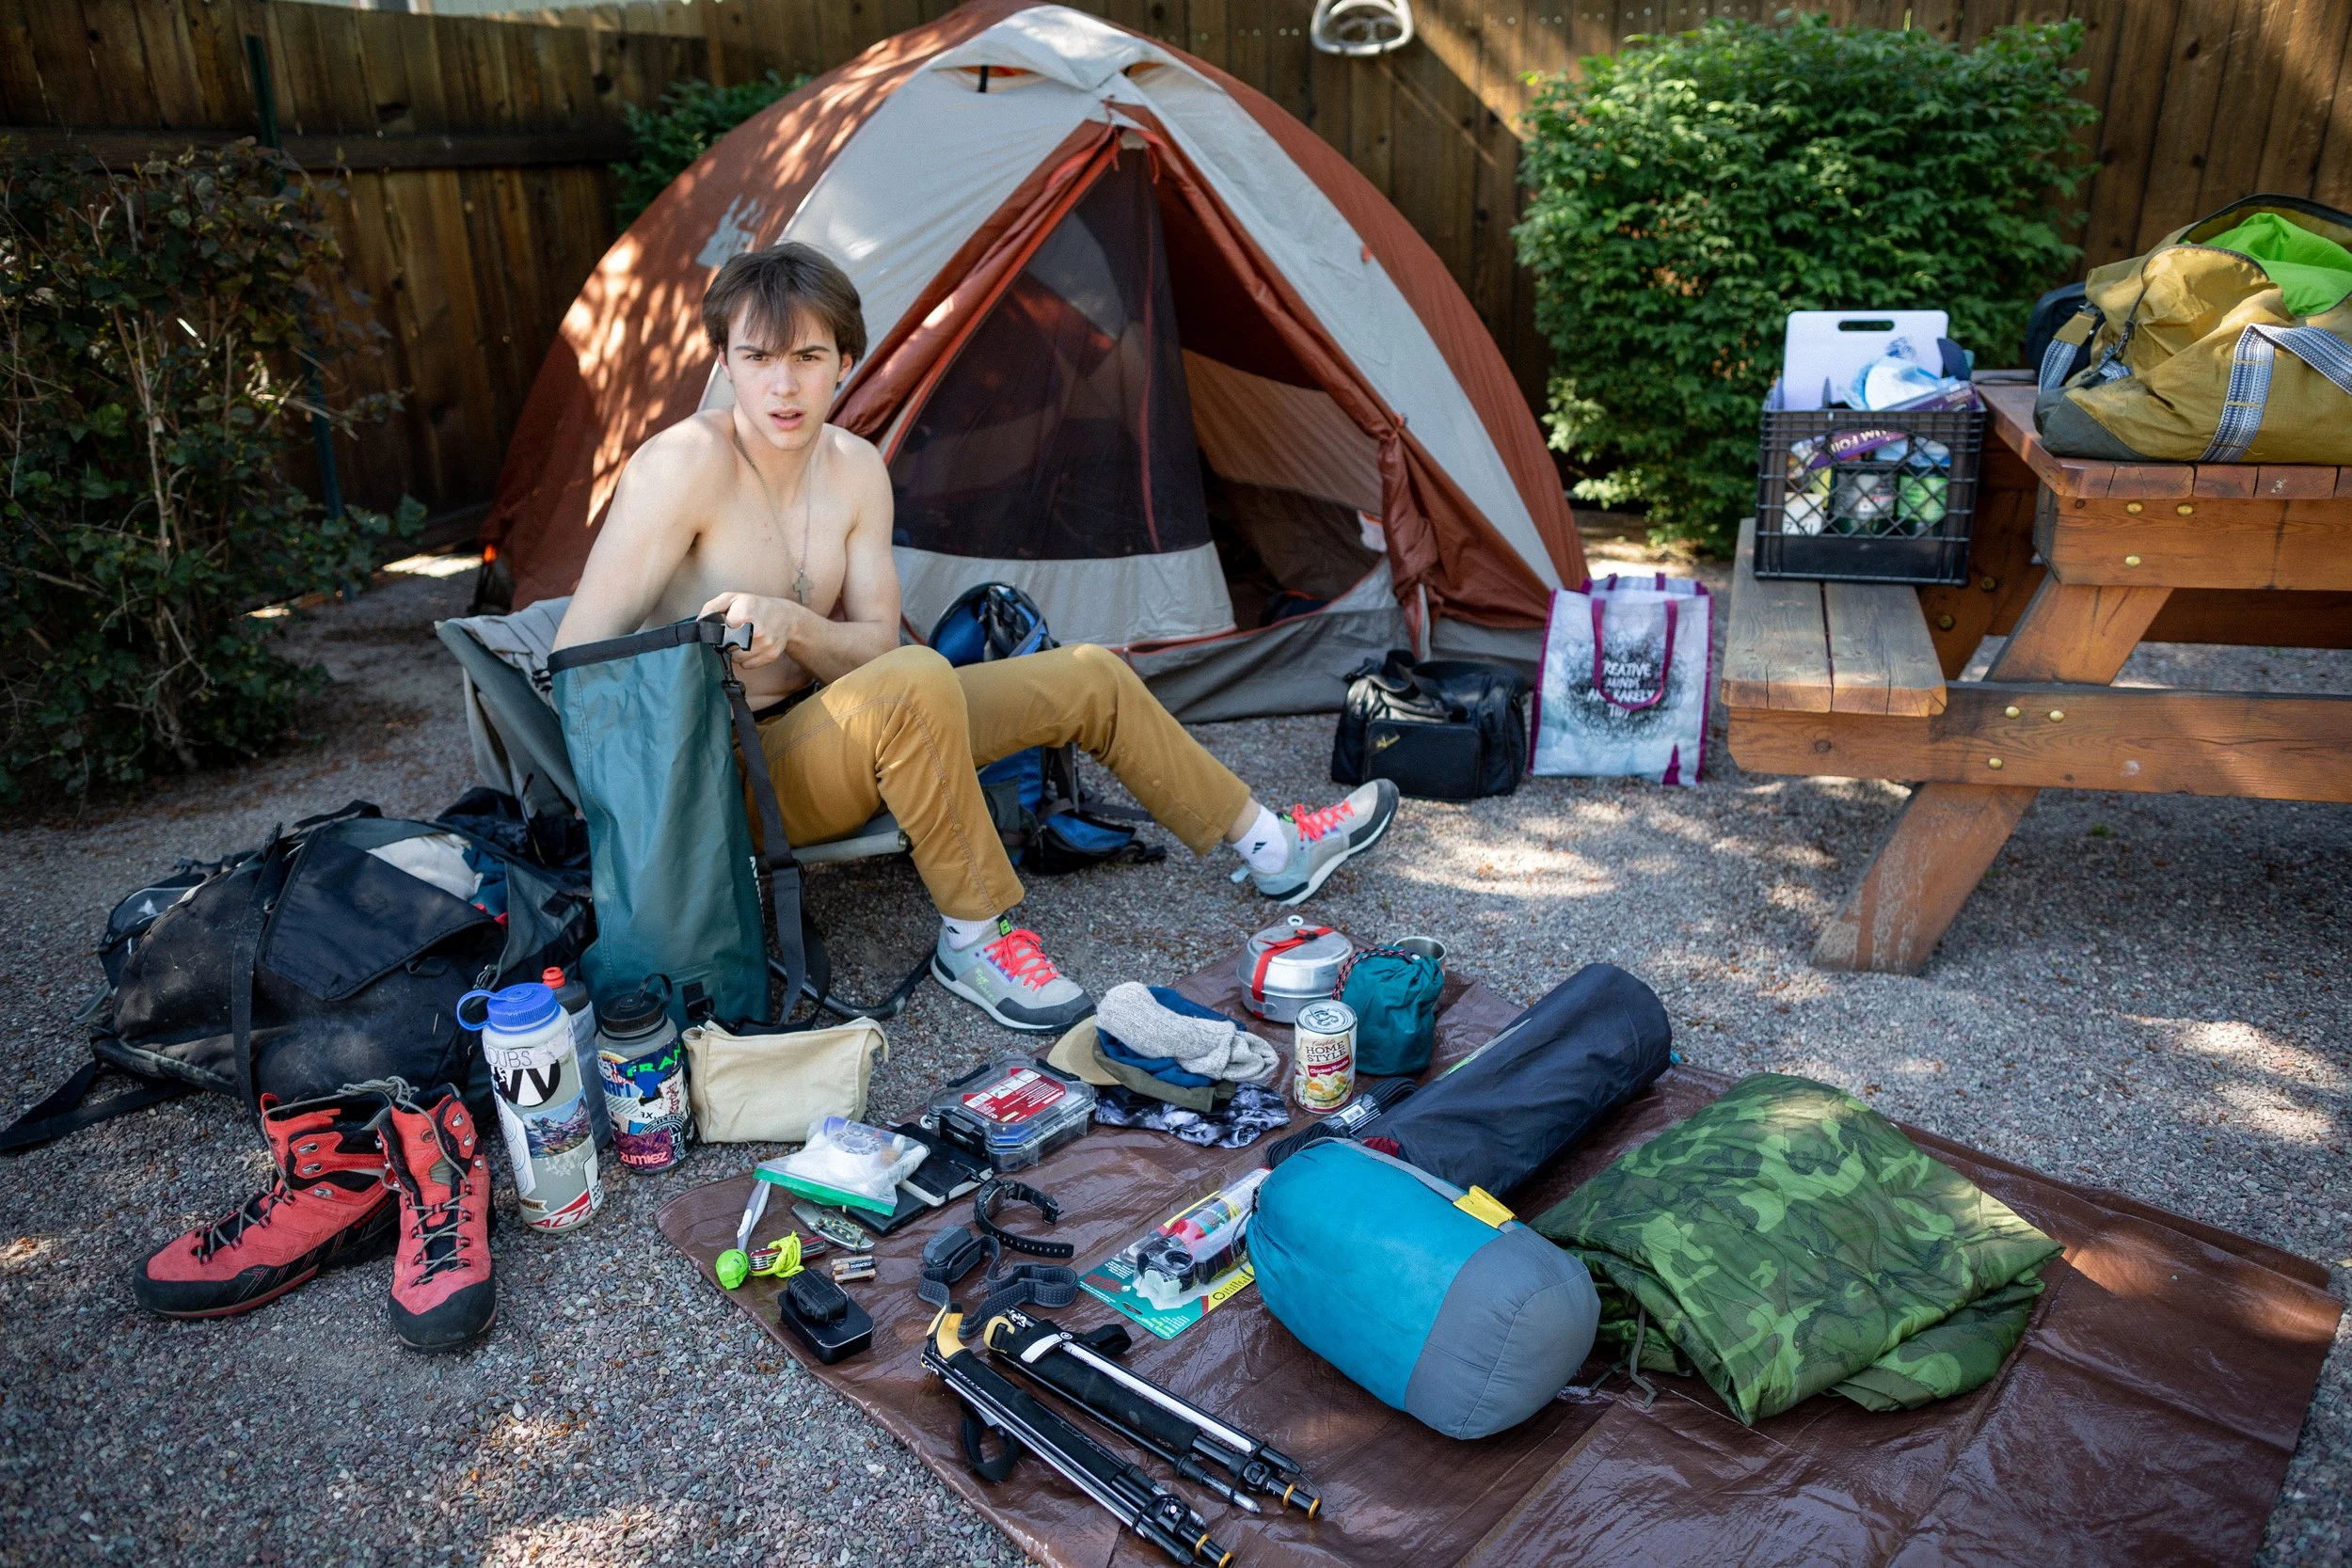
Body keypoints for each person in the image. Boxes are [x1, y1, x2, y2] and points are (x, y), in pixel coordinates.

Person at [553, 243, 1398, 1034]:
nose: (783, 385)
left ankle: (1271, 846)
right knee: (916, 677)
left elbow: (878, 645)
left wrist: (800, 628)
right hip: (725, 777)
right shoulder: (683, 465)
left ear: (845, 363)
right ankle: (974, 936)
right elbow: (575, 663)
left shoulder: (854, 469)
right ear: (724, 362)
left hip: (838, 724)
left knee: (1085, 675)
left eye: (808, 357)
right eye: (758, 357)